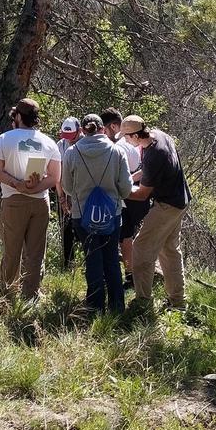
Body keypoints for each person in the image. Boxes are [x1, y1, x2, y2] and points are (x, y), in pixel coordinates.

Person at [0, 98, 62, 300]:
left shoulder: (5, 138)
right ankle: (31, 294)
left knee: (12, 249)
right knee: (36, 251)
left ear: (18, 116)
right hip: (40, 202)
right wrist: (35, 188)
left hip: (13, 200)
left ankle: (8, 293)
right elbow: (55, 177)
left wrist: (17, 185)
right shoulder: (48, 142)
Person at [60, 114, 132, 314]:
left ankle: (94, 306)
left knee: (92, 259)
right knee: (111, 260)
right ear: (102, 129)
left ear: (83, 131)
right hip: (112, 215)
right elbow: (126, 190)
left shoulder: (72, 153)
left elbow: (66, 186)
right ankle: (117, 307)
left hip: (82, 216)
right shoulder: (117, 152)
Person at [122, 114, 192, 310]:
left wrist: (119, 190)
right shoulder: (159, 136)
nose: (126, 140)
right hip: (180, 200)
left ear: (136, 136)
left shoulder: (155, 154)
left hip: (167, 206)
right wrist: (128, 178)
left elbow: (142, 194)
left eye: (127, 137)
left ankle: (142, 301)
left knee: (141, 248)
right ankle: (178, 302)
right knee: (170, 250)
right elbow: (147, 173)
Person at [103, 107, 147, 289]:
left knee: (125, 238)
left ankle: (130, 275)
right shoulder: (130, 144)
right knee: (127, 237)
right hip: (134, 197)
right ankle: (132, 273)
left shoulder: (119, 146)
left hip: (126, 198)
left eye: (105, 129)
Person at [56, 116, 82, 270]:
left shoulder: (85, 143)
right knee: (66, 228)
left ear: (79, 131)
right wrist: (61, 197)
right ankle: (68, 263)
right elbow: (57, 172)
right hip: (64, 190)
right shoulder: (60, 145)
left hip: (82, 192)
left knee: (82, 227)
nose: (68, 140)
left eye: (71, 136)